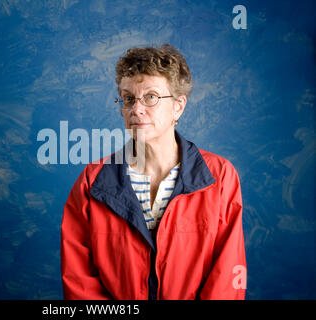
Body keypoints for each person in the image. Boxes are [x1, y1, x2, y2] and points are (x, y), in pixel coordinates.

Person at [61, 43, 247, 300]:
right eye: (128, 98)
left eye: (151, 97)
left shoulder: (220, 177)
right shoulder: (91, 182)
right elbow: (79, 280)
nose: (136, 109)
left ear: (178, 106)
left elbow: (227, 277)